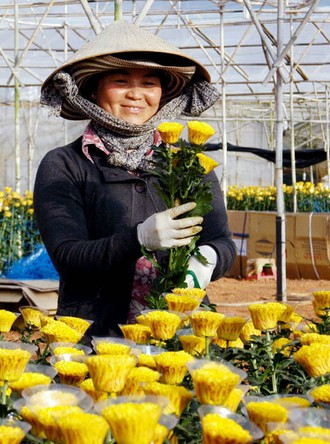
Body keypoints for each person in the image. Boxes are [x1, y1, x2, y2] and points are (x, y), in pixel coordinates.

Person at [35, 20, 235, 336]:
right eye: (120, 80)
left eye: (149, 83)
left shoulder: (188, 161)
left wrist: (206, 259)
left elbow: (221, 240)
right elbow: (68, 256)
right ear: (92, 89)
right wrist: (137, 239)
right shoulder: (65, 164)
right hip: (94, 335)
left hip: (178, 330)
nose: (136, 95)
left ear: (163, 92)